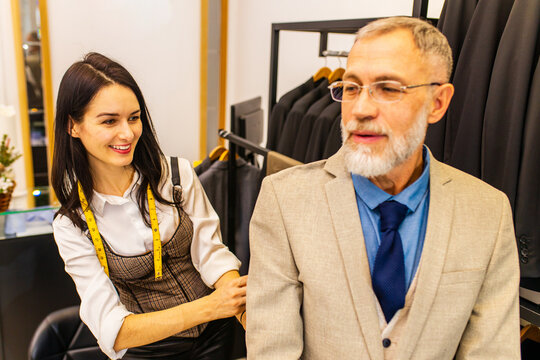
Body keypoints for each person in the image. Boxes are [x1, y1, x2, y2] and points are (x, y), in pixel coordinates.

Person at [247, 17, 520, 359]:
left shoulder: (488, 211)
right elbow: (273, 350)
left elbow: (492, 351)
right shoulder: (285, 200)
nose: (360, 109)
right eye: (350, 87)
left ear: (437, 103)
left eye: (388, 88)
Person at [51, 52, 246, 360]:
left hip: (219, 334)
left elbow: (211, 254)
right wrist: (211, 305)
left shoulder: (178, 176)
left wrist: (241, 307)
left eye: (134, 117)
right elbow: (113, 332)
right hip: (150, 352)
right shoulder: (72, 225)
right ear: (72, 126)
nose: (128, 133)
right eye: (109, 121)